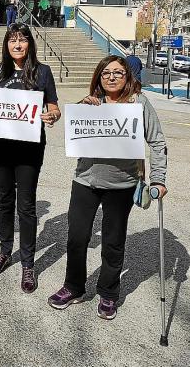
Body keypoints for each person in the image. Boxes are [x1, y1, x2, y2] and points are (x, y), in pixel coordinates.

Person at [48, 55, 167, 319]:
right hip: (85, 181)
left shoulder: (139, 103)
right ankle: (74, 287)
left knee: (113, 242)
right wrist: (81, 107)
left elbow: (157, 142)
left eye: (118, 73)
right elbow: (76, 133)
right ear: (99, 77)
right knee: (77, 237)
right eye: (106, 73)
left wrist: (158, 178)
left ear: (127, 76)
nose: (111, 77)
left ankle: (109, 293)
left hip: (122, 185)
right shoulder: (92, 102)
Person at [0, 23, 61, 293]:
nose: (17, 45)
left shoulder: (42, 71)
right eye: (12, 40)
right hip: (1, 146)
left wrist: (52, 115)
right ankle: (5, 251)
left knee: (26, 205)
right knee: (5, 199)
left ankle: (28, 264)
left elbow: (54, 106)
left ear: (30, 43)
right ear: (6, 45)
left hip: (30, 147)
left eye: (22, 40)